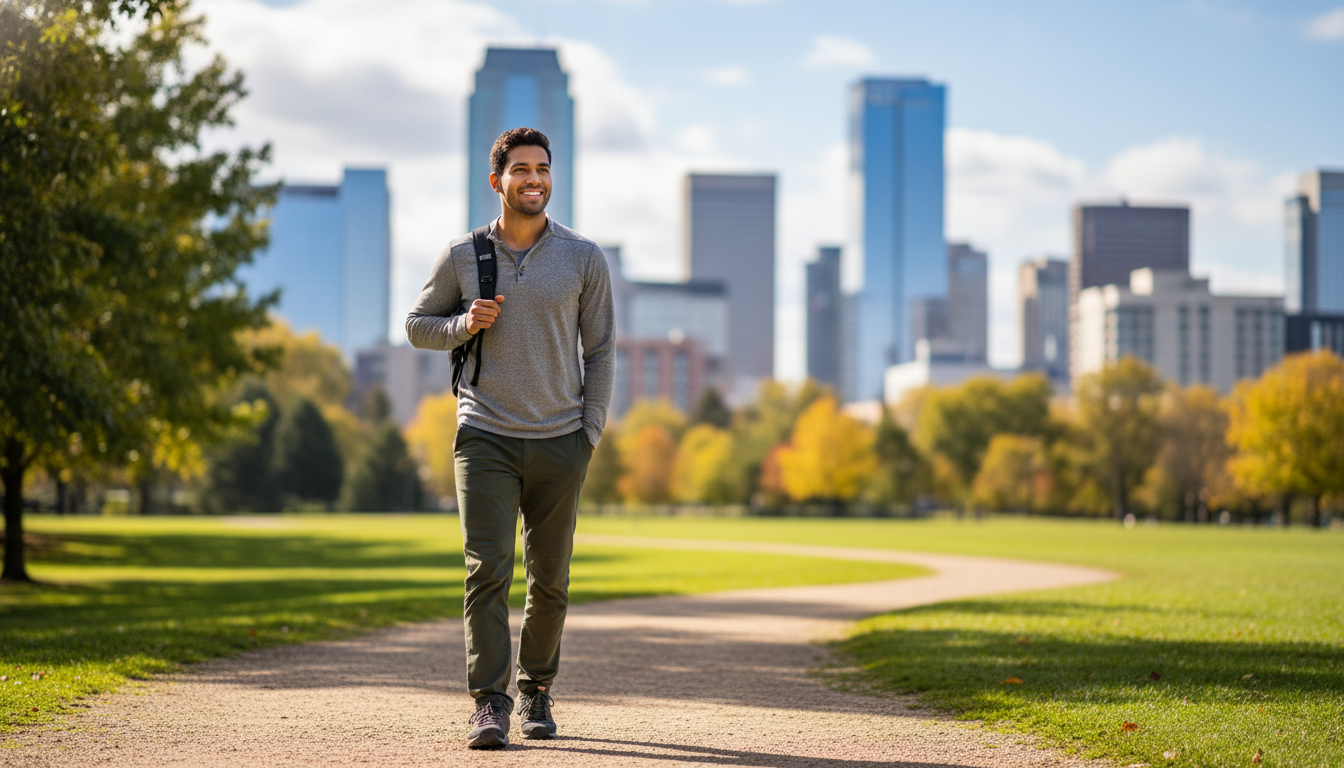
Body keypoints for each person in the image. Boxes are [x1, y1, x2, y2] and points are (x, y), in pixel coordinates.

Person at [405, 127, 614, 749]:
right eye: (521, 169)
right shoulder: (463, 254)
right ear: (497, 181)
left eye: (542, 168)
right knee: (487, 571)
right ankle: (489, 703)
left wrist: (590, 431)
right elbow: (417, 325)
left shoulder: (584, 257)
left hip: (561, 438)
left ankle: (536, 690)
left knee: (550, 580)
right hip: (485, 435)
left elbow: (600, 351)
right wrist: (463, 324)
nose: (534, 179)